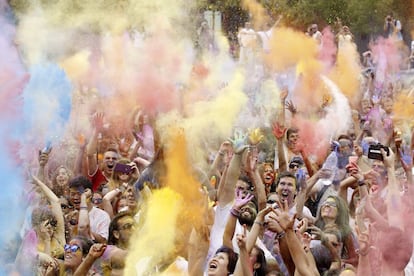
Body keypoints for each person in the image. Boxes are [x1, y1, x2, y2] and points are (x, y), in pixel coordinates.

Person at [68, 176, 111, 243]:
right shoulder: (69, 217)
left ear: (89, 194)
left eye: (79, 194)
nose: (75, 197)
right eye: (73, 194)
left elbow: (103, 240)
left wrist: (86, 230)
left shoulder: (102, 216)